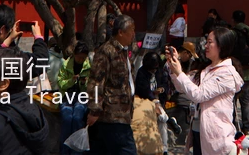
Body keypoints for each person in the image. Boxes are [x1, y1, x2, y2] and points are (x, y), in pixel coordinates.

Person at [166, 26, 243, 155]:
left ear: (221, 45)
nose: (206, 46)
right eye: (206, 42)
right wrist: (173, 67)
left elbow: (198, 95)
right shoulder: (206, 70)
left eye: (210, 42)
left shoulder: (226, 73)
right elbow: (181, 87)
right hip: (198, 131)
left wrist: (179, 72)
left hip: (216, 137)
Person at [86, 14, 138, 155]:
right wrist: (95, 109)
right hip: (111, 114)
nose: (133, 34)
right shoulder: (106, 51)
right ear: (120, 32)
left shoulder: (124, 51)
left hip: (123, 113)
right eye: (131, 30)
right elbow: (96, 82)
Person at [135, 51, 181, 155]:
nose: (154, 71)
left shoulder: (160, 72)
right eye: (152, 69)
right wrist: (153, 96)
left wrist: (162, 90)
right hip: (146, 102)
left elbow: (165, 84)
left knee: (162, 123)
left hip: (159, 100)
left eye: (155, 68)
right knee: (162, 118)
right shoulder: (142, 73)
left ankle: (164, 149)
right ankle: (170, 120)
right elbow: (143, 89)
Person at [57, 41, 91, 155]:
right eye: (79, 57)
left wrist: (83, 83)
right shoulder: (66, 65)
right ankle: (64, 151)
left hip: (81, 97)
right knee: (67, 118)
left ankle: (77, 151)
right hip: (67, 96)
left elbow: (89, 87)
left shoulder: (88, 67)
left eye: (83, 58)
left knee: (77, 118)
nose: (81, 60)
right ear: (74, 55)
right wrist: (71, 80)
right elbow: (61, 83)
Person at [163, 42, 197, 146]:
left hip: (187, 96)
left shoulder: (193, 64)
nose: (190, 57)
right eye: (189, 54)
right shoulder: (173, 63)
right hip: (176, 94)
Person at [232, 10, 249, 134]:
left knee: (231, 99)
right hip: (247, 71)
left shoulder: (232, 33)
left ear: (234, 19)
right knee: (246, 100)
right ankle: (246, 127)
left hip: (234, 70)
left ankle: (232, 124)